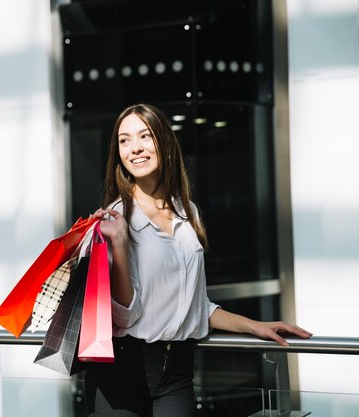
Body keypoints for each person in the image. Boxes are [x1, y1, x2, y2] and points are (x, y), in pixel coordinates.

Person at [85, 103, 311, 417]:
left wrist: (254, 326)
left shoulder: (186, 210)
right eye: (124, 140)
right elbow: (124, 315)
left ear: (164, 142)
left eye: (144, 136)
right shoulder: (116, 219)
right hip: (124, 367)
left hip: (177, 368)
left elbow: (195, 307)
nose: (134, 148)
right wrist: (120, 244)